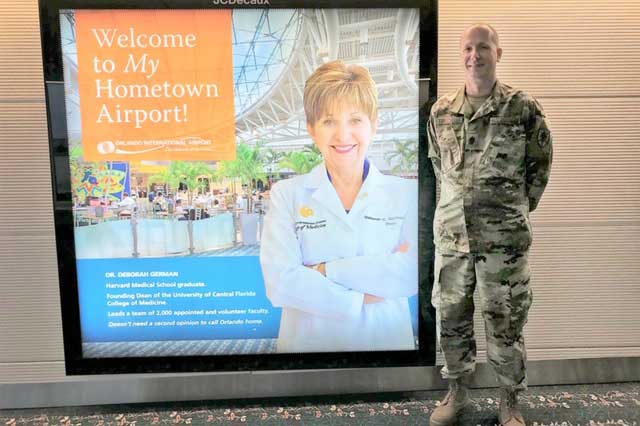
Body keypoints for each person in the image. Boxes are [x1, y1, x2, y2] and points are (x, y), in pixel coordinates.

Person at [427, 24, 553, 426]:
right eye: (468, 48)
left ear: (498, 52)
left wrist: (512, 208)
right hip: (452, 242)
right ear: (460, 54)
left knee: (506, 321)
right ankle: (457, 393)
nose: (474, 55)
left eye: (483, 47)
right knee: (452, 319)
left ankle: (509, 402)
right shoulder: (441, 111)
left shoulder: (522, 107)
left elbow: (540, 167)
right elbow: (438, 165)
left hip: (504, 244)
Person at [260, 60, 418, 353]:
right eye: (329, 121)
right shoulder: (287, 195)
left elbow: (410, 274)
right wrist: (366, 293)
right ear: (312, 129)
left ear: (374, 124)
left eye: (355, 120)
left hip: (386, 351)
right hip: (307, 354)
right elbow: (280, 283)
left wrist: (322, 270)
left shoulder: (406, 194)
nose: (343, 135)